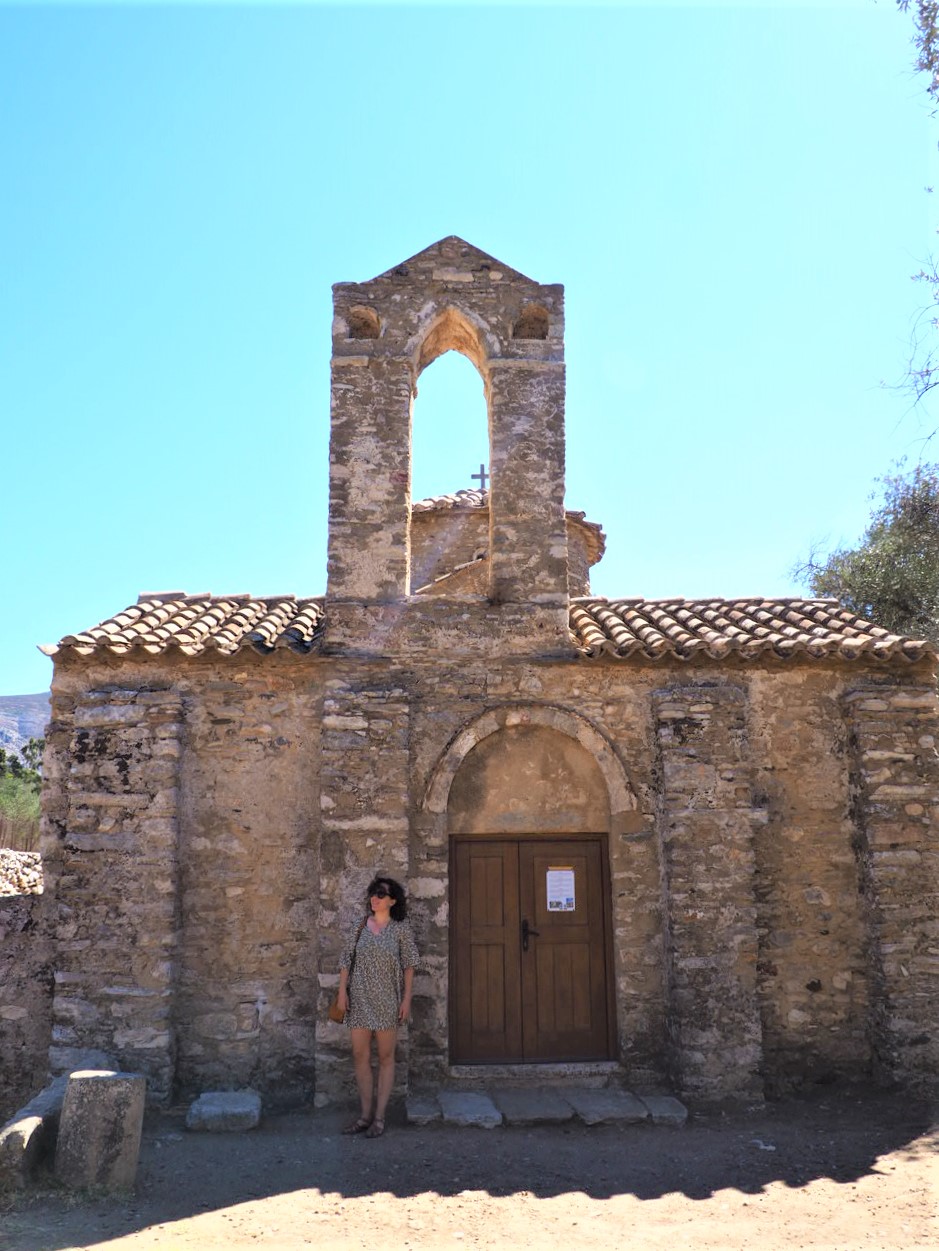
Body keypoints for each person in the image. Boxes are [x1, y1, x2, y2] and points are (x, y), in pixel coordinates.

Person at [337, 875, 419, 1139]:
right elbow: (345, 960)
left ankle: (380, 1118)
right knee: (360, 1056)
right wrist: (341, 992)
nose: (375, 898)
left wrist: (406, 999)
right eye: (373, 893)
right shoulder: (360, 925)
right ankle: (365, 1115)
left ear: (393, 901)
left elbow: (409, 965)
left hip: (387, 1001)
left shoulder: (400, 929)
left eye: (381, 894)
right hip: (359, 1000)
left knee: (385, 1058)